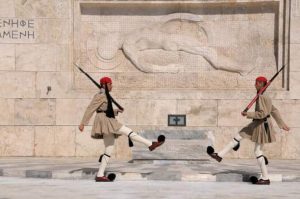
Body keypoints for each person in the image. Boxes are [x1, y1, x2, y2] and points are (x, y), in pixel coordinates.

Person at [79, 76, 165, 182]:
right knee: (127, 131)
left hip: (106, 119)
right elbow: (91, 108)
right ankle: (150, 144)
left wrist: (116, 111)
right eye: (110, 84)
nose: (112, 86)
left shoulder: (104, 95)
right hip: (106, 121)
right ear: (105, 85)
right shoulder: (101, 95)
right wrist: (83, 123)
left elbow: (105, 109)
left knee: (108, 149)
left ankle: (100, 175)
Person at [207, 76, 290, 185]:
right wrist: (281, 124)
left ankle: (265, 178)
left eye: (257, 82)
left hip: (261, 125)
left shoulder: (262, 97)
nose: (254, 84)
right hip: (257, 124)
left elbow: (263, 113)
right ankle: (219, 155)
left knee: (257, 151)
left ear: (261, 84)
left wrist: (248, 114)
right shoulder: (262, 96)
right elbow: (273, 110)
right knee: (239, 136)